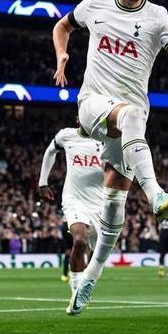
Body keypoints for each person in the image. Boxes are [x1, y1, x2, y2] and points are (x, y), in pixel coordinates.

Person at [51, 0, 168, 315]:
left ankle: (89, 279)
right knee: (131, 116)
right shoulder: (94, 5)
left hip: (131, 120)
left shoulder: (158, 16)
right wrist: (61, 56)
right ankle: (156, 195)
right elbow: (62, 26)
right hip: (92, 104)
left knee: (114, 204)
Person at [38, 125, 104, 293]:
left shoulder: (107, 138)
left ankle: (85, 281)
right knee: (79, 241)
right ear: (78, 119)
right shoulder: (66, 136)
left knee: (95, 252)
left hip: (100, 204)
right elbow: (50, 151)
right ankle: (76, 289)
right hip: (74, 201)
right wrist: (43, 182)